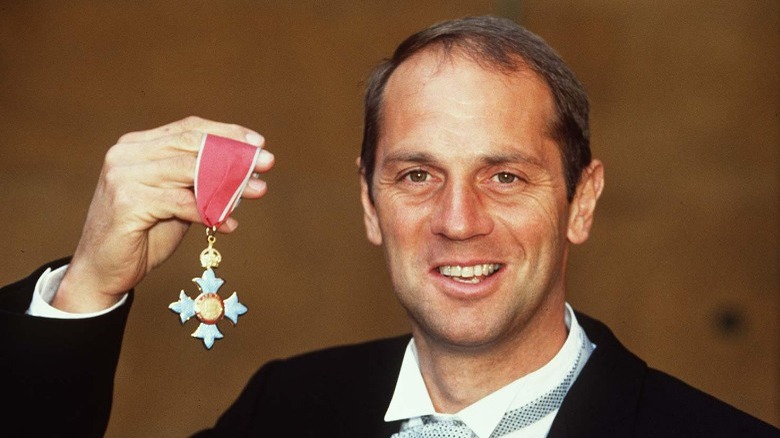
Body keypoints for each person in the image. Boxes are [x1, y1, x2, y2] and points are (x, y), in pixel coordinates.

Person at [1, 15, 776, 438]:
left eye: (504, 176)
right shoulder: (284, 413)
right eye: (416, 175)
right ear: (371, 205)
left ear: (582, 201)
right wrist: (89, 287)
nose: (458, 221)